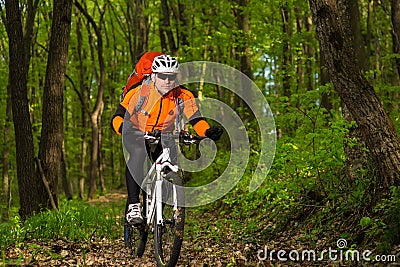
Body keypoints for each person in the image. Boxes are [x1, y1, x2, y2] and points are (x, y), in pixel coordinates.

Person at [111, 54, 223, 224]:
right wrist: (123, 128)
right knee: (138, 154)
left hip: (165, 134)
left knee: (171, 165)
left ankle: (156, 209)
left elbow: (196, 120)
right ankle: (134, 206)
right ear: (154, 76)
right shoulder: (139, 93)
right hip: (137, 132)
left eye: (171, 77)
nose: (167, 81)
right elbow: (117, 116)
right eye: (162, 76)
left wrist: (207, 132)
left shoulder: (183, 96)